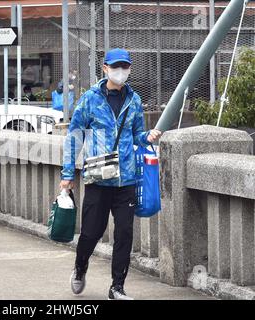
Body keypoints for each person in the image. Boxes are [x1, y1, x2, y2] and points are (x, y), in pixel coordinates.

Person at [60, 48, 161, 300]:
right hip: (98, 178)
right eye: (116, 66)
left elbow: (136, 133)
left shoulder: (134, 100)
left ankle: (117, 287)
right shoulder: (90, 99)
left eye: (125, 67)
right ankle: (80, 267)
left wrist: (146, 136)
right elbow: (74, 136)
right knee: (91, 233)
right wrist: (67, 172)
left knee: (125, 233)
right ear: (104, 68)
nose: (121, 71)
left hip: (126, 179)